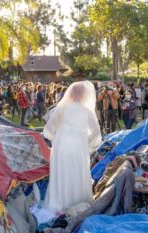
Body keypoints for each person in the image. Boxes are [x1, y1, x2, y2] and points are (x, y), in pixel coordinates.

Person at [43, 81, 102, 212]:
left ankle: (60, 201)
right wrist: (87, 144)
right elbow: (96, 133)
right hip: (78, 147)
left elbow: (48, 130)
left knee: (62, 173)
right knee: (77, 173)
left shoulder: (60, 109)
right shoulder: (87, 112)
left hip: (61, 147)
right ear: (84, 96)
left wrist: (57, 139)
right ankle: (77, 201)